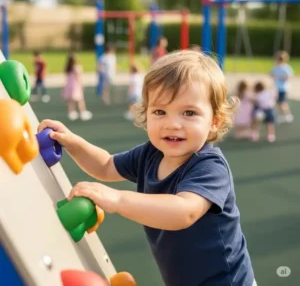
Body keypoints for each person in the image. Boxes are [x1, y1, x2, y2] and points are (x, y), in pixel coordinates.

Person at [38, 50, 256, 286]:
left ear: (214, 121)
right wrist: (72, 142)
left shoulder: (209, 166)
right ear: (147, 113)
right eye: (160, 111)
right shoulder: (150, 154)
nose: (172, 124)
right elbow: (106, 165)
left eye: (189, 113)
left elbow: (184, 211)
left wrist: (118, 200)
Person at [63, 53, 92, 121]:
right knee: (80, 100)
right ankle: (82, 112)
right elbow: (78, 78)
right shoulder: (77, 67)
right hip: (76, 85)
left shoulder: (67, 67)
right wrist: (82, 85)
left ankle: (71, 113)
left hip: (69, 85)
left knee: (71, 101)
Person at [270, 50, 294, 123]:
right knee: (280, 102)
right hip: (278, 88)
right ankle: (284, 114)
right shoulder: (279, 67)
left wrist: (279, 78)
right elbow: (271, 74)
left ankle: (286, 115)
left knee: (282, 102)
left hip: (282, 88)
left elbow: (288, 77)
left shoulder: (284, 68)